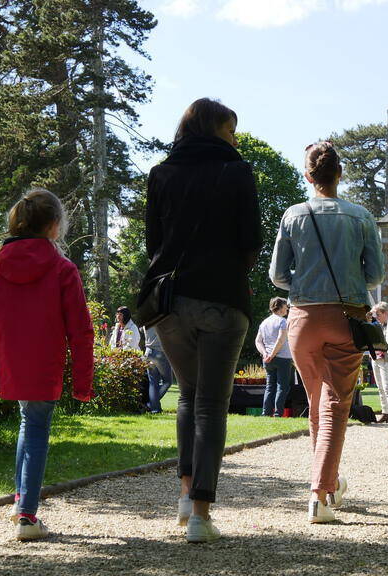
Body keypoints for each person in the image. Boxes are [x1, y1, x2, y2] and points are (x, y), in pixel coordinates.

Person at [142, 98, 261, 543]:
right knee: (212, 402)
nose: (234, 138)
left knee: (188, 396)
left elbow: (154, 243)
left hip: (170, 302)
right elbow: (251, 241)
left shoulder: (161, 173)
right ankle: (200, 516)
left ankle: (184, 496)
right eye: (230, 130)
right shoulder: (237, 172)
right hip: (221, 298)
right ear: (214, 129)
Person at [270, 141, 383, 524]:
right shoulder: (361, 216)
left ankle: (331, 483)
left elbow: (277, 275)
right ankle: (318, 494)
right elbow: (375, 276)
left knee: (318, 402)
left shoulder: (293, 215)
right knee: (335, 404)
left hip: (302, 317)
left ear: (308, 175)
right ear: (340, 174)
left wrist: (306, 284)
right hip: (346, 315)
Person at [0, 188, 95, 541]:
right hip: (44, 365)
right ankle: (27, 516)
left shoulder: (0, 266)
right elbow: (81, 332)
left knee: (29, 422)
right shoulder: (62, 268)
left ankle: (19, 502)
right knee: (37, 428)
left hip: (12, 362)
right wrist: (83, 383)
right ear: (54, 226)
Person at [255, 297, 294, 417]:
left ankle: (265, 413)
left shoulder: (264, 322)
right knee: (282, 386)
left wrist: (266, 354)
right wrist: (272, 354)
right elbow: (281, 339)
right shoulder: (282, 321)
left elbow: (258, 341)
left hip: (267, 360)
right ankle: (278, 414)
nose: (287, 308)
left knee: (269, 386)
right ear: (280, 307)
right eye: (285, 306)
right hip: (283, 358)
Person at [370, 302, 388, 433]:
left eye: (378, 314)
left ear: (386, 313)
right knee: (380, 387)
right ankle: (385, 412)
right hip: (375, 357)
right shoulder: (377, 325)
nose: (376, 316)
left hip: (386, 359)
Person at [143, 325, 173, 414]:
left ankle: (155, 408)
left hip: (148, 352)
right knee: (167, 382)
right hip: (160, 352)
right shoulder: (160, 320)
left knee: (153, 383)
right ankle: (151, 405)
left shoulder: (146, 321)